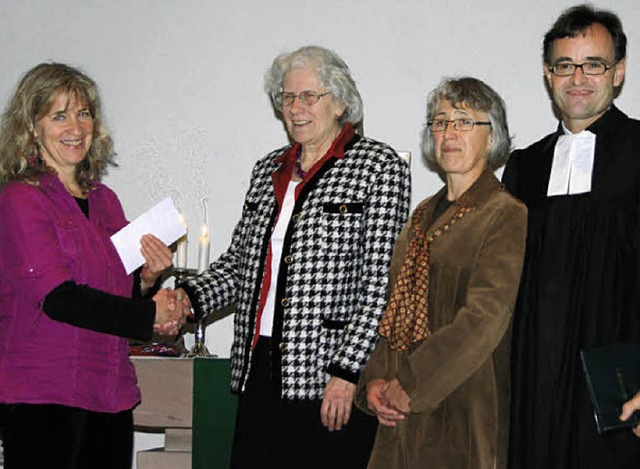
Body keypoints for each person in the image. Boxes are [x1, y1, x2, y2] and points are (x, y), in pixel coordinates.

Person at [175, 45, 411, 468]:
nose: (296, 108)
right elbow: (237, 267)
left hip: (327, 376)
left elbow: (381, 283)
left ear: (339, 102)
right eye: (287, 98)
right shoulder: (268, 169)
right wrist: (184, 301)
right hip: (258, 367)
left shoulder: (378, 166)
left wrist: (346, 372)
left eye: (309, 96)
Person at [0, 63, 187, 469]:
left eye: (84, 114)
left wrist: (148, 280)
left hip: (108, 389)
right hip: (44, 395)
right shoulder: (21, 199)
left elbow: (114, 291)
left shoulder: (105, 200)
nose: (76, 127)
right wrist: (149, 314)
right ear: (32, 126)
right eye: (59, 115)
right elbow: (60, 299)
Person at [357, 77, 527, 469]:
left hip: (461, 406)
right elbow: (394, 310)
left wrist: (412, 384)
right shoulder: (420, 216)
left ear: (492, 137)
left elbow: (484, 320)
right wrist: (377, 383)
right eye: (440, 121)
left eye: (465, 121)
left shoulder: (504, 214)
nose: (449, 132)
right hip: (398, 413)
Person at [502, 4, 640, 468]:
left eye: (594, 64)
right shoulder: (525, 165)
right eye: (565, 65)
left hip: (617, 384)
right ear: (548, 74)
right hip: (530, 382)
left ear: (618, 72)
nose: (578, 77)